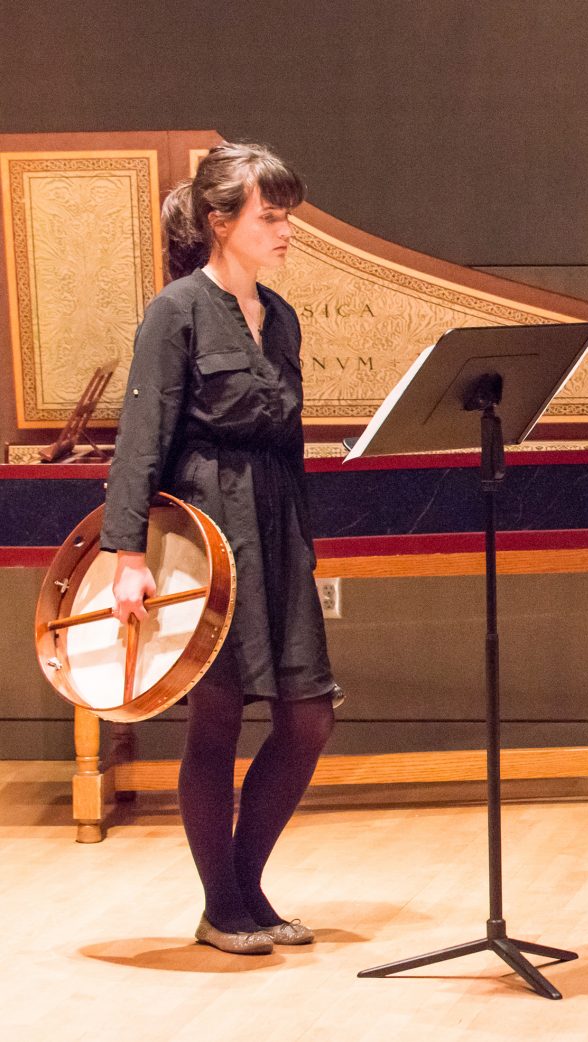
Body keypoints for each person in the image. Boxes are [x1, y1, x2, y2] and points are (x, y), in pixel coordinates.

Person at [104, 143, 339, 956]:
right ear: (220, 223)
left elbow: (293, 440)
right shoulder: (176, 310)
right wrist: (126, 556)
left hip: (276, 530)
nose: (285, 231)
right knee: (216, 722)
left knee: (308, 719)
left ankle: (241, 886)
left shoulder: (283, 316)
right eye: (269, 217)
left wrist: (304, 545)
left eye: (285, 216)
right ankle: (225, 906)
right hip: (205, 537)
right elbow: (141, 437)